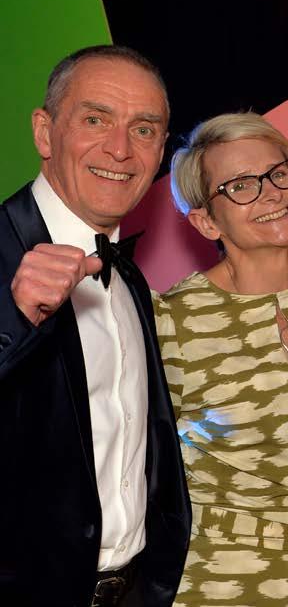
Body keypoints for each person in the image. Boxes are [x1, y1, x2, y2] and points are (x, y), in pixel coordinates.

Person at [155, 112, 288, 606]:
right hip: (225, 585)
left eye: (278, 173)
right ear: (206, 221)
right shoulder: (174, 321)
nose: (271, 193)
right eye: (241, 186)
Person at [0, 45, 190, 606]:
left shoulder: (129, 278)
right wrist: (14, 321)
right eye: (95, 119)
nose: (120, 149)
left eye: (144, 130)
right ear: (44, 132)